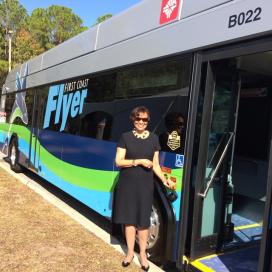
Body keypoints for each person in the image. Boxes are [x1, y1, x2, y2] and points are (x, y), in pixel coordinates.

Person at [112, 106, 176, 271]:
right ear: (133, 119)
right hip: (128, 184)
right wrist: (138, 161)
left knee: (143, 222)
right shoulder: (125, 137)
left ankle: (142, 254)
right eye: (138, 119)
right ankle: (130, 253)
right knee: (129, 220)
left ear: (148, 121)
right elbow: (118, 161)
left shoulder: (154, 139)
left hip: (145, 185)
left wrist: (164, 180)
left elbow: (156, 165)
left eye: (144, 119)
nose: (141, 122)